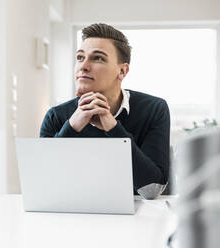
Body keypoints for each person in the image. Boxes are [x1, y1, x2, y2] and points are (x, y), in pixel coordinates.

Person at [40, 23, 170, 196]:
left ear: (122, 71)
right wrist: (71, 127)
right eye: (80, 57)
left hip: (134, 219)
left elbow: (152, 189)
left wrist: (113, 128)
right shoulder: (56, 116)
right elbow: (42, 184)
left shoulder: (154, 109)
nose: (83, 66)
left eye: (98, 58)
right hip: (71, 216)